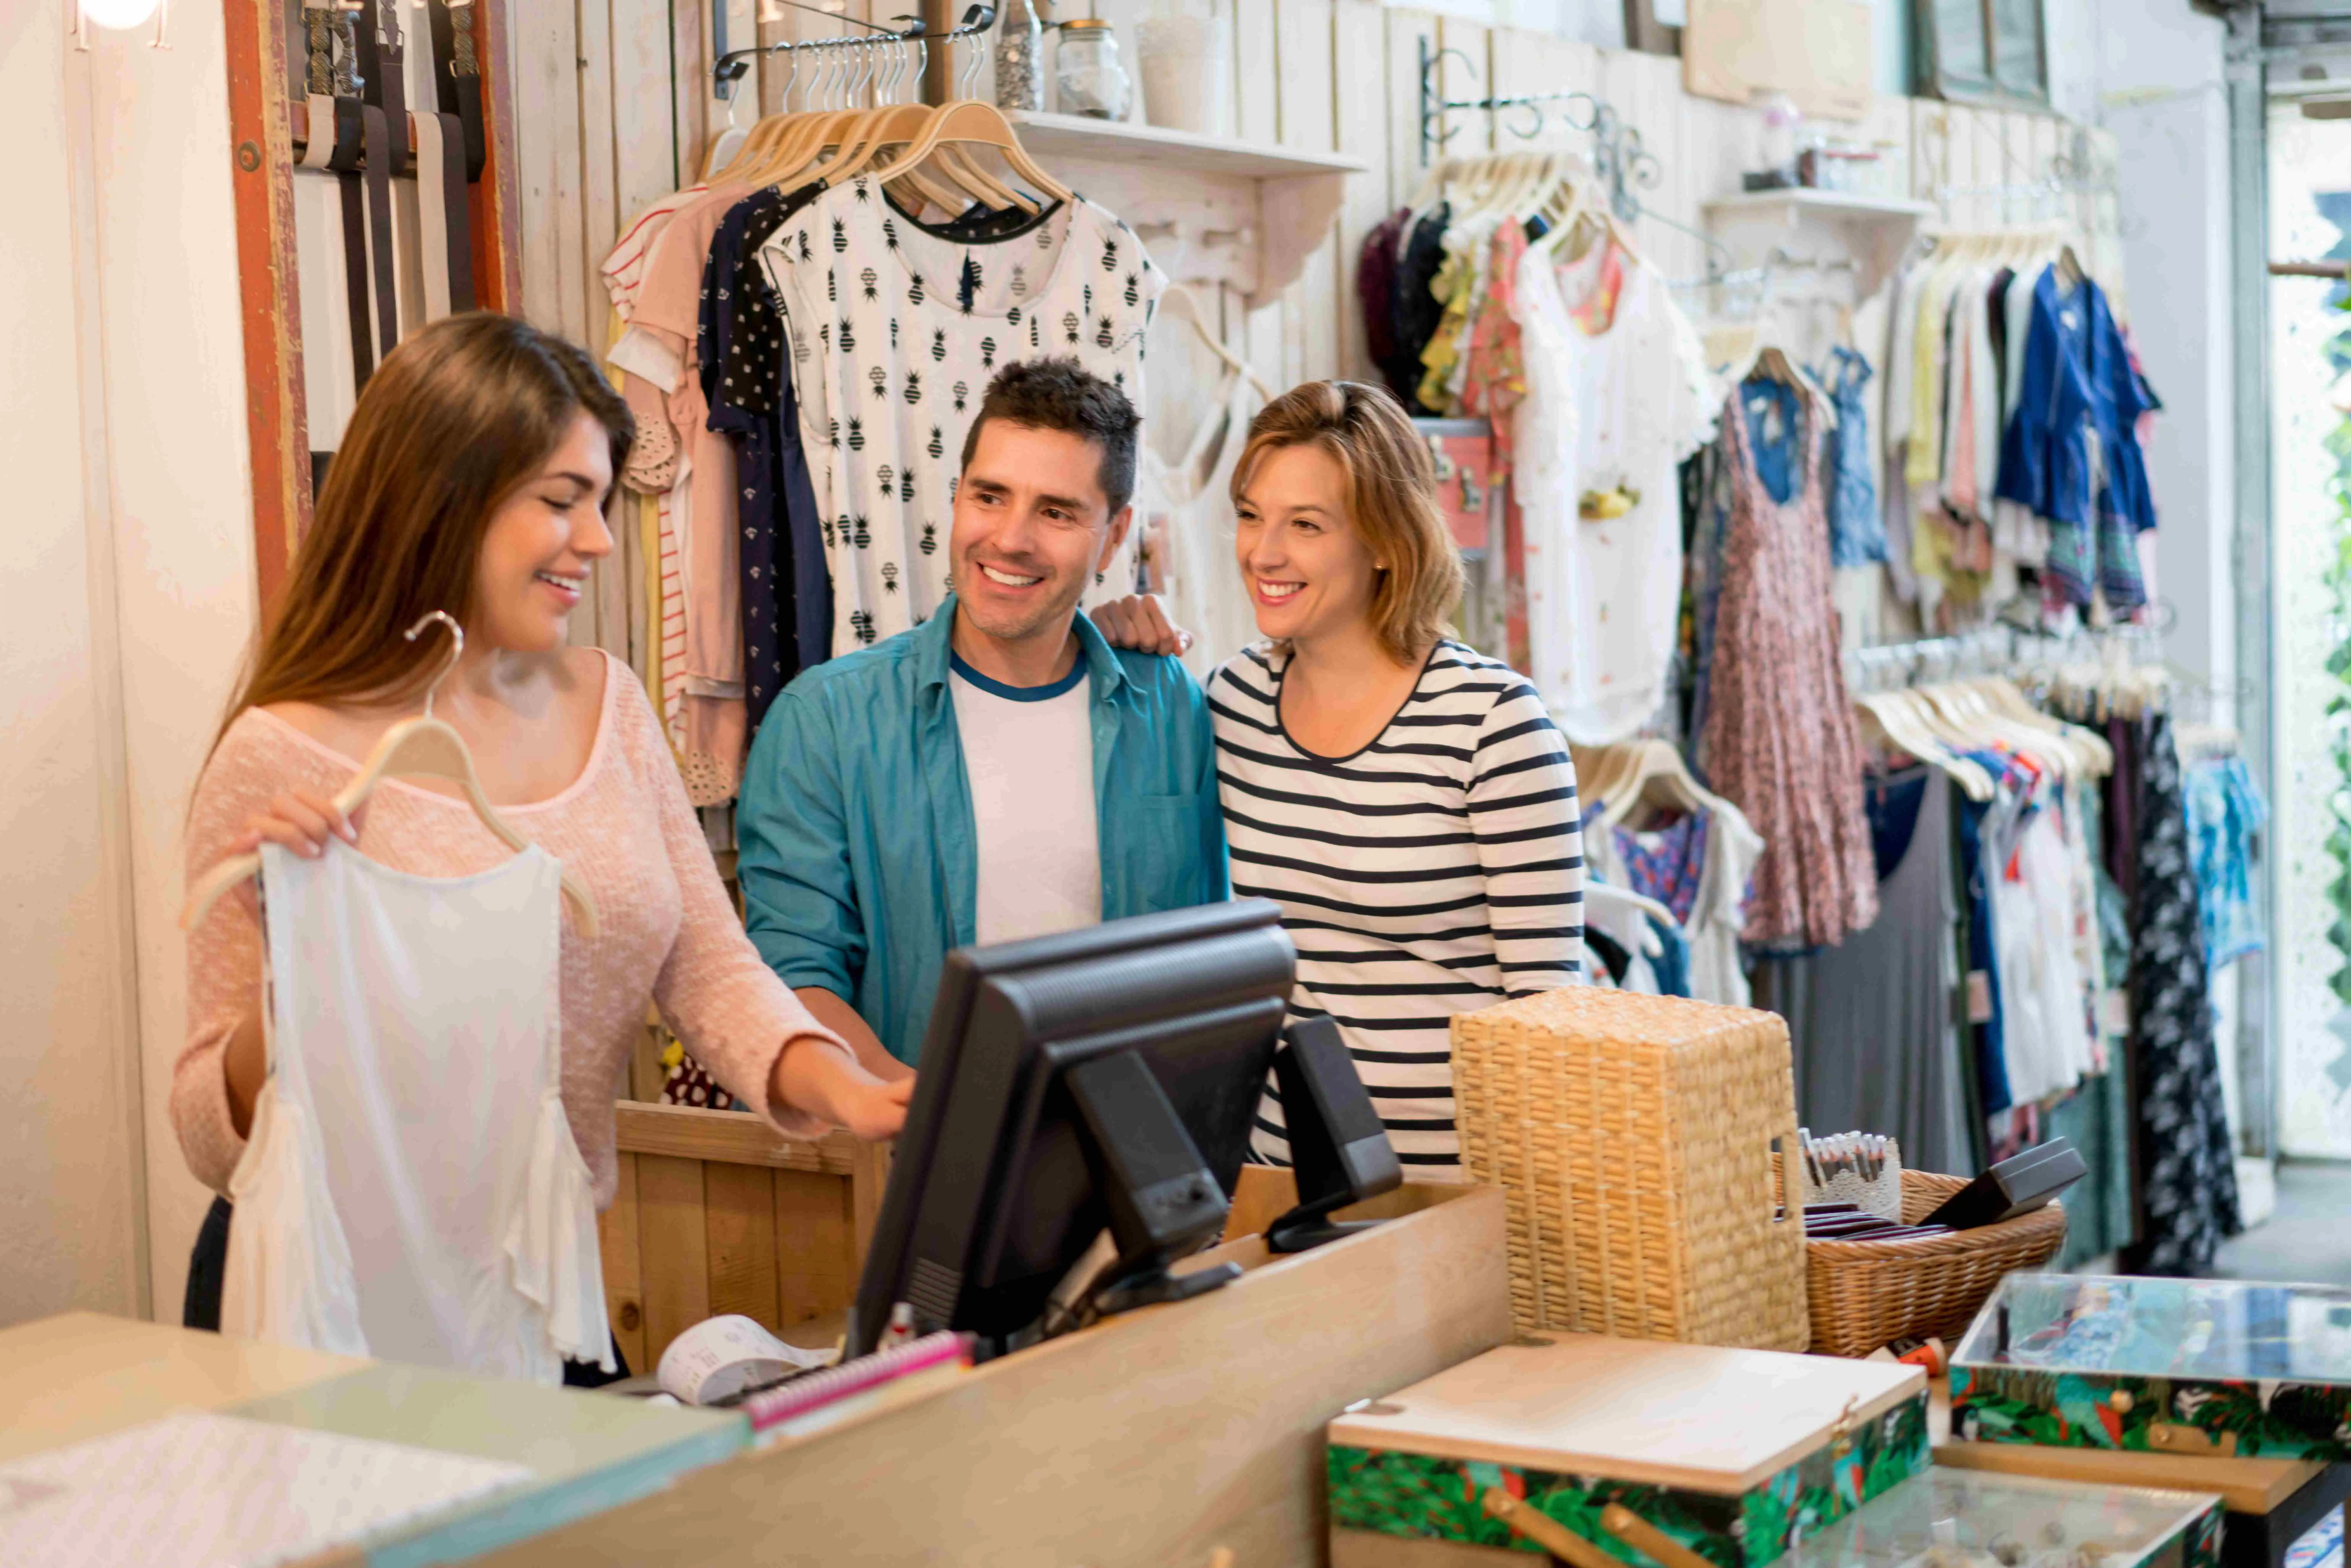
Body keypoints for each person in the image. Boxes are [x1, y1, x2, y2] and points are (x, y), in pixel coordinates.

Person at [177, 315, 908, 1369]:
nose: (601, 540)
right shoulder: (281, 754)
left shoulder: (610, 702)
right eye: (561, 501)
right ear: (443, 499)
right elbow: (207, 1135)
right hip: (333, 1311)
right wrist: (297, 990)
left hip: (540, 1284)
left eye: (600, 503)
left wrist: (846, 1090)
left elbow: (708, 966)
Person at [1092, 380, 1584, 1178]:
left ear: (1388, 542)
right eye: (1252, 516)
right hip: (1277, 1182)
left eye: (1307, 526)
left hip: (1455, 1189)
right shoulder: (1228, 701)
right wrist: (1109, 644)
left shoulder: (1495, 723)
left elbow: (1549, 1017)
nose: (1265, 553)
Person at [734, 358, 1227, 1075]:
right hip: (913, 1158)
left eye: (1056, 512)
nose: (1011, 539)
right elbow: (793, 977)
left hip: (1135, 1158)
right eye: (990, 497)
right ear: (958, 496)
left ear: (1114, 537)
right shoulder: (823, 723)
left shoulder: (1170, 705)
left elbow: (1206, 961)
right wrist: (939, 1127)